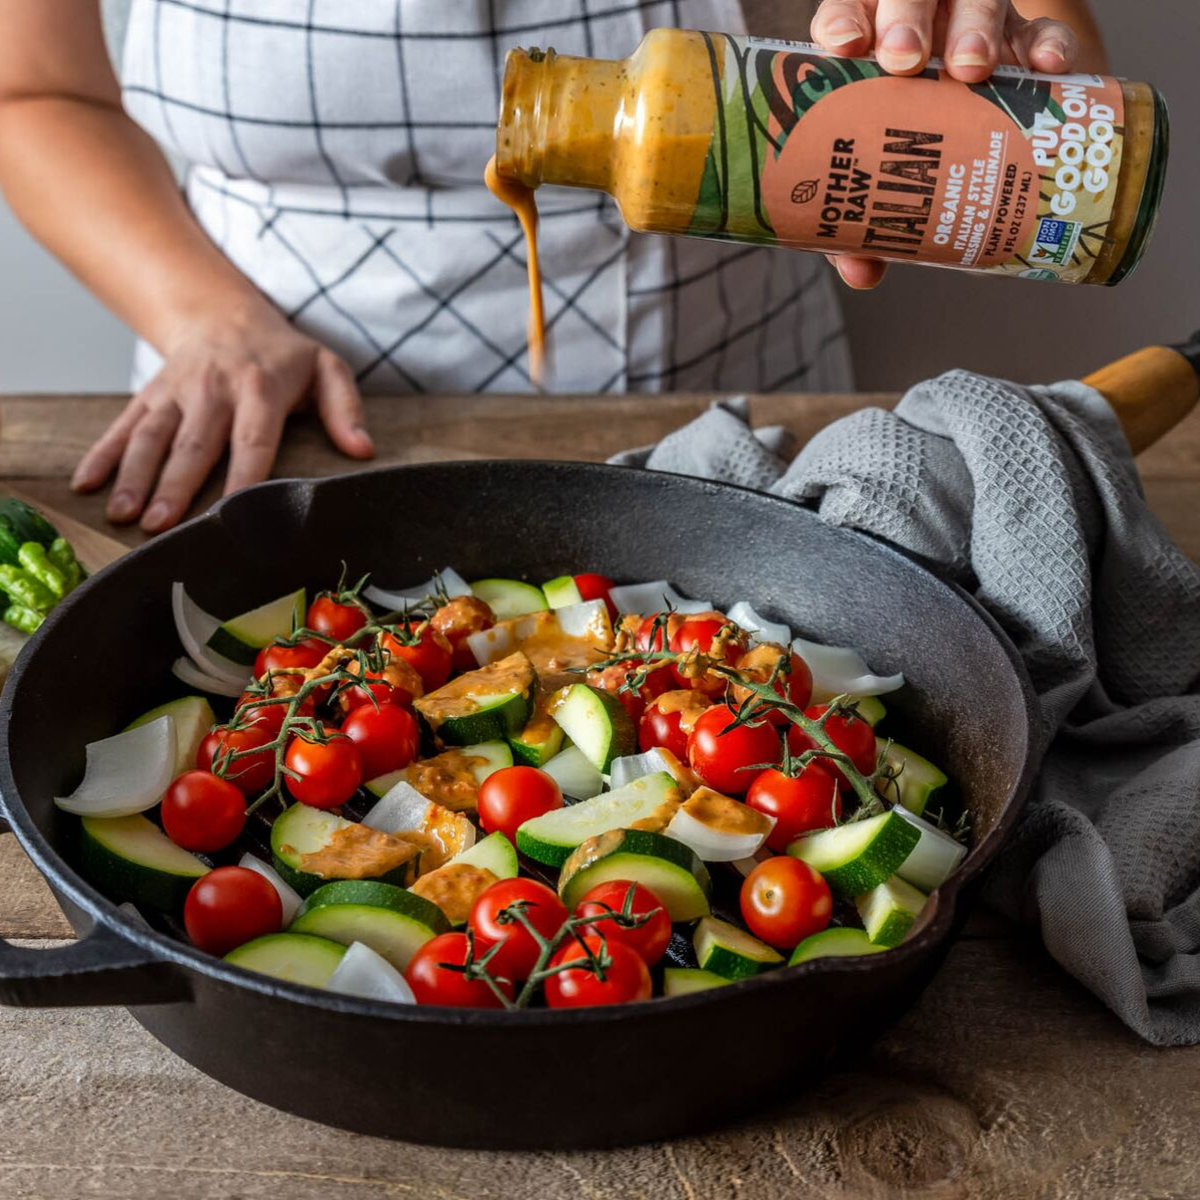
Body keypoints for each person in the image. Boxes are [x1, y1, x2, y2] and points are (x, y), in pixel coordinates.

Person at [0, 1, 1106, 533]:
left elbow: (1046, 44)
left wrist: (984, 45)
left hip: (748, 427)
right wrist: (203, 317)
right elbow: (34, 92)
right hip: (280, 440)